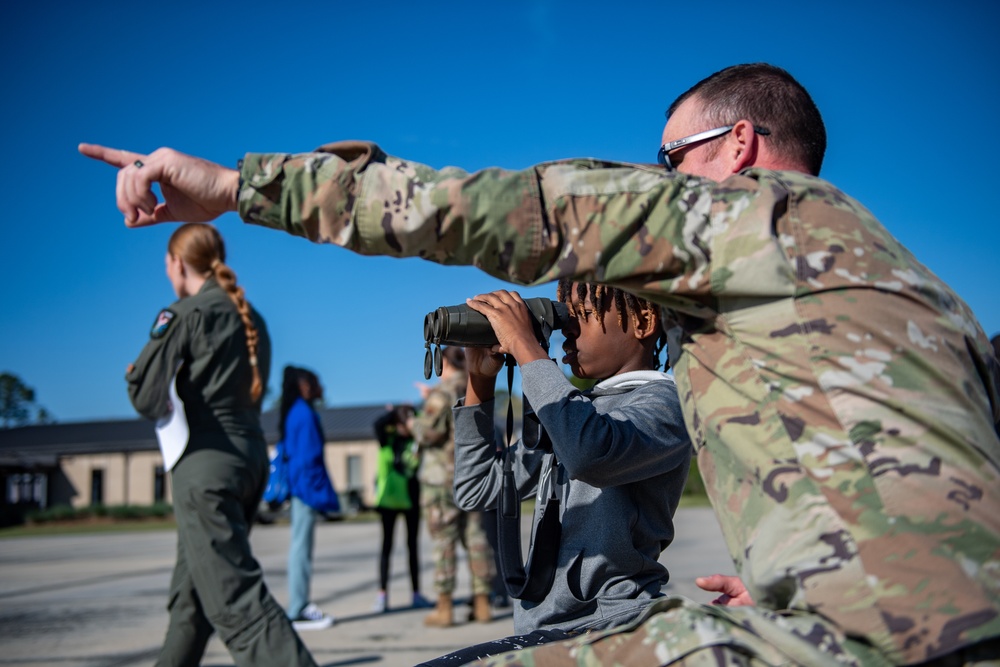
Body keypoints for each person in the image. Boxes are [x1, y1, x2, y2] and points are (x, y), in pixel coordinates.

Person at [80, 61, 1000, 665]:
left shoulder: (741, 217)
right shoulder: (910, 287)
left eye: (670, 158)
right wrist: (779, 576)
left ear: (738, 147)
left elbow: (500, 208)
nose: (664, 177)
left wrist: (244, 189)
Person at [419, 281, 691, 665]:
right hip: (546, 630)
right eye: (564, 317)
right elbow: (476, 488)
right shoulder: (573, 415)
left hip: (613, 626)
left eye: (582, 316)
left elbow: (589, 454)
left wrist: (527, 348)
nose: (568, 330)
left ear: (644, 321)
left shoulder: (666, 406)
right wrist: (480, 382)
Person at [124, 222, 316, 666]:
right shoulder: (253, 318)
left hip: (205, 467)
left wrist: (134, 374)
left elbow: (144, 396)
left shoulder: (185, 313)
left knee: (237, 605)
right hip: (248, 460)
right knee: (192, 600)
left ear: (177, 262)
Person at [413, 345, 495, 627]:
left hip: (441, 480)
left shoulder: (443, 391)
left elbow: (428, 434)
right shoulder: (475, 387)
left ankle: (444, 607)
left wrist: (417, 415)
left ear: (444, 362)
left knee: (444, 540)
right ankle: (483, 603)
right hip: (471, 476)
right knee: (475, 537)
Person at [278, 365, 340, 630]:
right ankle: (298, 609)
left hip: (300, 488)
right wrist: (317, 493)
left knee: (300, 547)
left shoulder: (295, 413)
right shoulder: (304, 415)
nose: (321, 388)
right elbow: (307, 460)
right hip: (305, 490)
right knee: (301, 549)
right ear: (304, 386)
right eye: (316, 383)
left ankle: (299, 606)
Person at [371, 403, 433, 612]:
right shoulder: (386, 438)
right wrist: (394, 412)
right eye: (403, 422)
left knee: (412, 547)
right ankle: (382, 595)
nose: (406, 427)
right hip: (388, 501)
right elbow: (377, 424)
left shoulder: (416, 440)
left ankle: (416, 594)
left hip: (411, 499)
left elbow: (427, 425)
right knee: (386, 547)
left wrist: (415, 414)